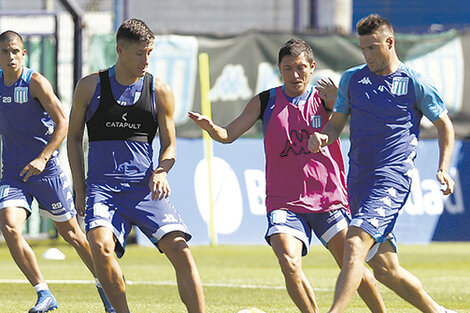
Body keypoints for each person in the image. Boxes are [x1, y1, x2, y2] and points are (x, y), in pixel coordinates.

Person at [189, 38, 386, 313]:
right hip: (285, 203)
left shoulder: (327, 99)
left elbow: (360, 120)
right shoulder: (266, 101)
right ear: (279, 69)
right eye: (288, 68)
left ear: (312, 67)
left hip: (328, 200)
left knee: (351, 265)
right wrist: (213, 128)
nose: (295, 74)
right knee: (289, 262)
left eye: (301, 67)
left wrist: (341, 103)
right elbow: (228, 134)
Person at [308, 14, 457, 313]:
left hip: (392, 178)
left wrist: (442, 167)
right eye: (363, 48)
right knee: (386, 270)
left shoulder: (415, 82)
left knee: (353, 245)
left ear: (390, 42)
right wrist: (323, 137)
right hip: (359, 181)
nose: (367, 55)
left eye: (373, 48)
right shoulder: (352, 79)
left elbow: (445, 126)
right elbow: (336, 125)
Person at [67, 19, 205, 313]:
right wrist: (80, 188)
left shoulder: (160, 90)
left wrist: (161, 170)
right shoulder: (90, 86)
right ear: (120, 50)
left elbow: (170, 144)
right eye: (140, 53)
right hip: (102, 189)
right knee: (101, 246)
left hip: (144, 189)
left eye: (150, 52)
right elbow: (74, 138)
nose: (146, 60)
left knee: (181, 251)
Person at [0, 31, 115, 313]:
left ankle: (109, 287)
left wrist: (43, 156)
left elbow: (63, 122)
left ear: (23, 54)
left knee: (72, 235)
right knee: (9, 226)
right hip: (14, 173)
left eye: (15, 51)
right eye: (4, 52)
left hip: (46, 172)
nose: (10, 56)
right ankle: (44, 294)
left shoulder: (35, 82)